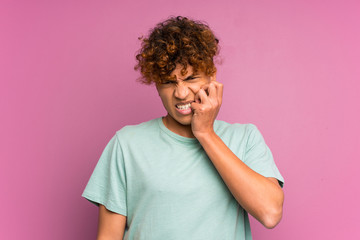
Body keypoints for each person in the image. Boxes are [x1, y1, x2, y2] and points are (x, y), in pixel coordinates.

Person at [82, 16, 284, 240]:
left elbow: (270, 213)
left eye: (190, 78)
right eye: (169, 82)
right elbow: (108, 236)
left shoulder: (245, 138)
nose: (180, 93)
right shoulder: (127, 144)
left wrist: (205, 133)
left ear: (212, 76)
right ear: (156, 84)